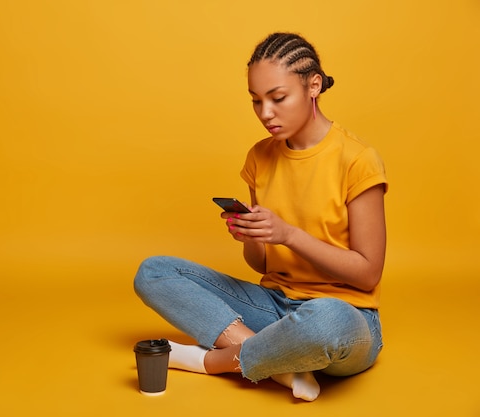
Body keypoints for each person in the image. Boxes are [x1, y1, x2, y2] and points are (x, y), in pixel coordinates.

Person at [133, 32, 387, 402]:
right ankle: (281, 365)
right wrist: (251, 235)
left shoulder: (358, 160)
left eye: (278, 98)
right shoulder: (260, 157)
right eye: (256, 100)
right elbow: (260, 264)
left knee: (324, 319)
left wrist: (288, 235)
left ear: (313, 85)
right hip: (274, 309)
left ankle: (212, 362)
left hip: (346, 319)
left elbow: (368, 273)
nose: (265, 113)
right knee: (153, 272)